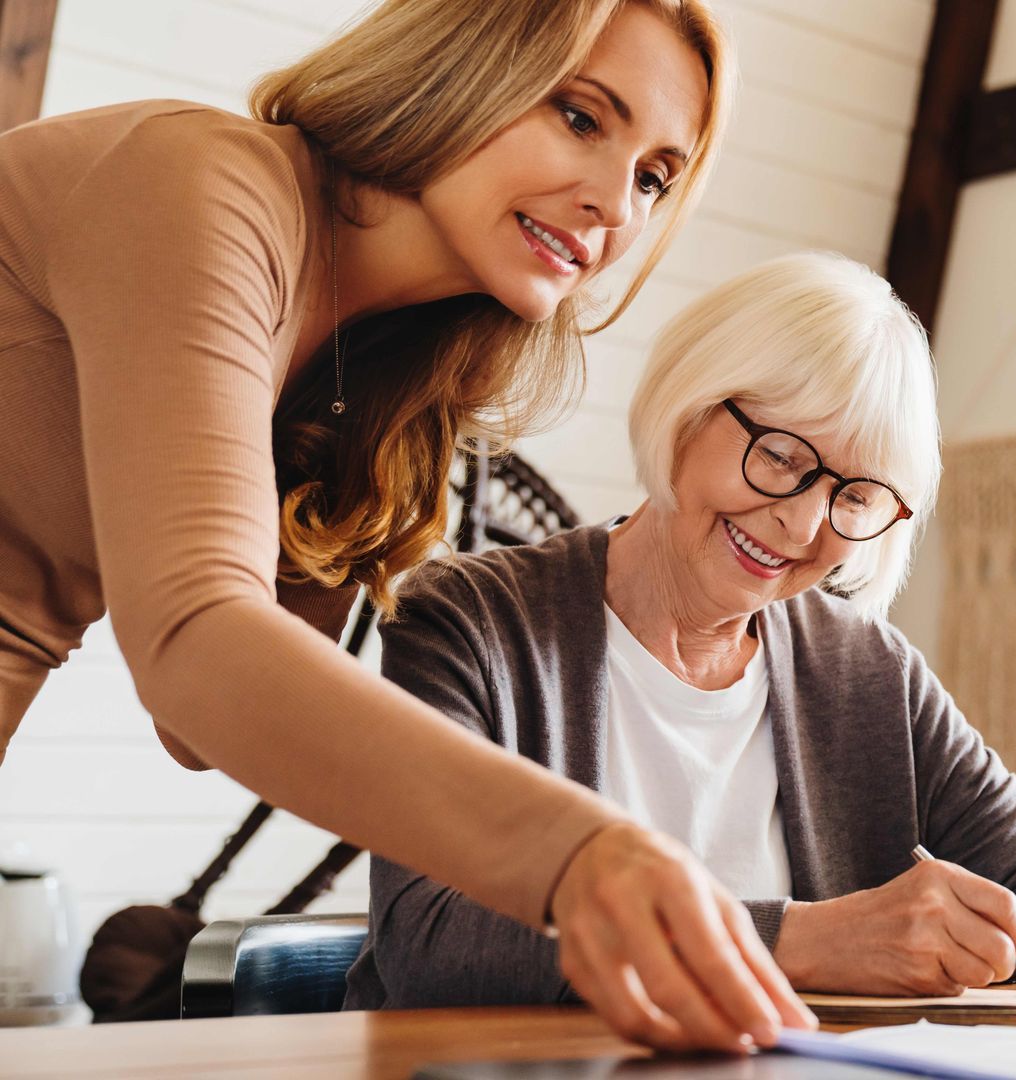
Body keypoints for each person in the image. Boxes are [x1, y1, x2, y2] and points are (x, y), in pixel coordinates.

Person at [0, 0, 813, 1052]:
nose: (614, 202)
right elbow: (194, 652)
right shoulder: (197, 184)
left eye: (656, 177)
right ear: (461, 65)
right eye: (579, 117)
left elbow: (201, 735)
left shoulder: (377, 378)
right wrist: (578, 852)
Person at [342, 252, 1016, 1009]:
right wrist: (806, 939)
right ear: (688, 409)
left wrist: (964, 940)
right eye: (782, 456)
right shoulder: (470, 623)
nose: (802, 520)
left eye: (854, 497)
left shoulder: (867, 671)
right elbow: (429, 938)